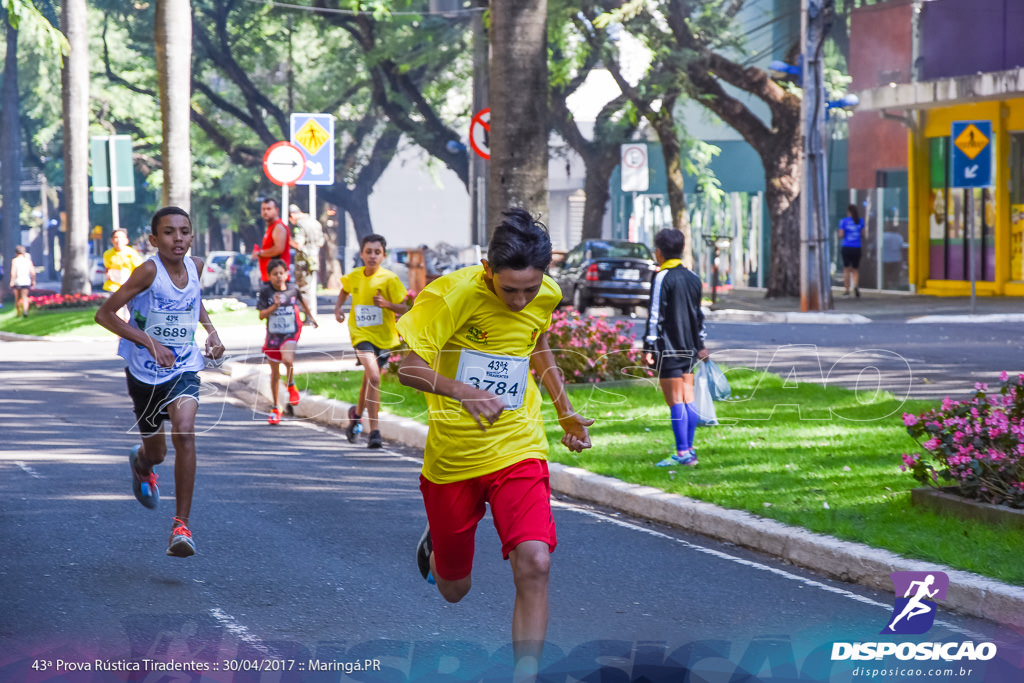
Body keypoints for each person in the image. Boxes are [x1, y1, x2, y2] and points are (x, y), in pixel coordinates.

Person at [396, 208, 593, 679]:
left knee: (536, 562)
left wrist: (564, 410)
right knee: (453, 588)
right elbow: (408, 368)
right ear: (488, 271)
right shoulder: (451, 297)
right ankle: (438, 548)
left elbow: (536, 341)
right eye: (510, 290)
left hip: (518, 445)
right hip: (453, 460)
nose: (522, 300)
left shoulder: (544, 293)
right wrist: (465, 393)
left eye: (531, 288)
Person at [94, 206, 225, 558]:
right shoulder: (148, 271)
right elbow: (104, 314)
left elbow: (193, 302)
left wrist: (211, 333)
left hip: (183, 366)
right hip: (144, 372)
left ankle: (181, 526)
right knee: (158, 453)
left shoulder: (196, 267)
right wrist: (150, 343)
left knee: (185, 430)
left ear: (192, 236)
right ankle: (142, 462)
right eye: (169, 232)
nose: (178, 238)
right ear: (154, 239)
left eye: (184, 231)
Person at [334, 233, 409, 448]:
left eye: (377, 252)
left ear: (383, 256)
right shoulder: (355, 276)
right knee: (374, 376)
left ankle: (356, 416)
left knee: (369, 379)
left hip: (384, 337)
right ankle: (375, 431)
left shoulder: (389, 279)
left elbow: (404, 307)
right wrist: (338, 308)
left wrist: (387, 304)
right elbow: (344, 289)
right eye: (369, 252)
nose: (372, 256)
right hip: (361, 334)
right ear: (362, 254)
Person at [644, 228, 709, 468]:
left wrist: (648, 347)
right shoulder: (693, 277)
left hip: (669, 349)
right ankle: (689, 450)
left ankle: (682, 452)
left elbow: (654, 315)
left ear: (659, 252)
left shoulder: (662, 277)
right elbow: (698, 316)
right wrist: (700, 345)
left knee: (675, 402)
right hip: (689, 348)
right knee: (687, 399)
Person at [259, 258, 318, 425]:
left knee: (288, 359)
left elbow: (303, 302)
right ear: (269, 276)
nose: (278, 277)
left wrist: (311, 317)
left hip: (291, 332)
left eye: (281, 273)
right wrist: (274, 307)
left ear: (286, 274)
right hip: (273, 336)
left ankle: (291, 384)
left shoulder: (293, 288)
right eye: (274, 274)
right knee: (275, 374)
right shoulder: (266, 292)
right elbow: (262, 315)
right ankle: (276, 408)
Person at [288, 204, 326, 317]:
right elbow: (320, 242)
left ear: (292, 215)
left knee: (303, 289)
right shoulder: (315, 222)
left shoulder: (301, 224)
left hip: (303, 261)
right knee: (310, 288)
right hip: (313, 259)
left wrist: (288, 240)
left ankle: (308, 316)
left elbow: (298, 243)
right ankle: (311, 314)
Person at [255, 198, 290, 284]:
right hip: (269, 278)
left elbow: (278, 249)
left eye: (269, 209)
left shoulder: (278, 227)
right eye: (263, 209)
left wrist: (259, 253)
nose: (265, 212)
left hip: (277, 279)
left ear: (276, 210)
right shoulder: (271, 228)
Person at [103, 228, 144, 292]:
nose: (118, 240)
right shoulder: (107, 254)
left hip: (129, 288)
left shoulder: (132, 253)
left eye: (121, 237)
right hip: (112, 287)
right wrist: (108, 274)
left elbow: (140, 271)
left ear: (126, 240)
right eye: (116, 237)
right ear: (112, 240)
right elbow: (107, 268)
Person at [839, 204, 867, 298]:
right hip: (857, 247)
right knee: (855, 269)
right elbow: (863, 235)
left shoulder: (843, 221)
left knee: (846, 269)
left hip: (846, 247)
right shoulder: (860, 221)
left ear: (848, 212)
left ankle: (847, 290)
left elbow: (841, 234)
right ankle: (855, 285)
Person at [9, 245, 35, 317]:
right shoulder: (28, 261)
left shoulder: (15, 260)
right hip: (26, 281)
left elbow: (13, 272)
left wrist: (12, 280)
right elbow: (33, 271)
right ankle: (25, 311)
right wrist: (33, 281)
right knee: (25, 297)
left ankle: (18, 312)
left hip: (17, 281)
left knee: (17, 298)